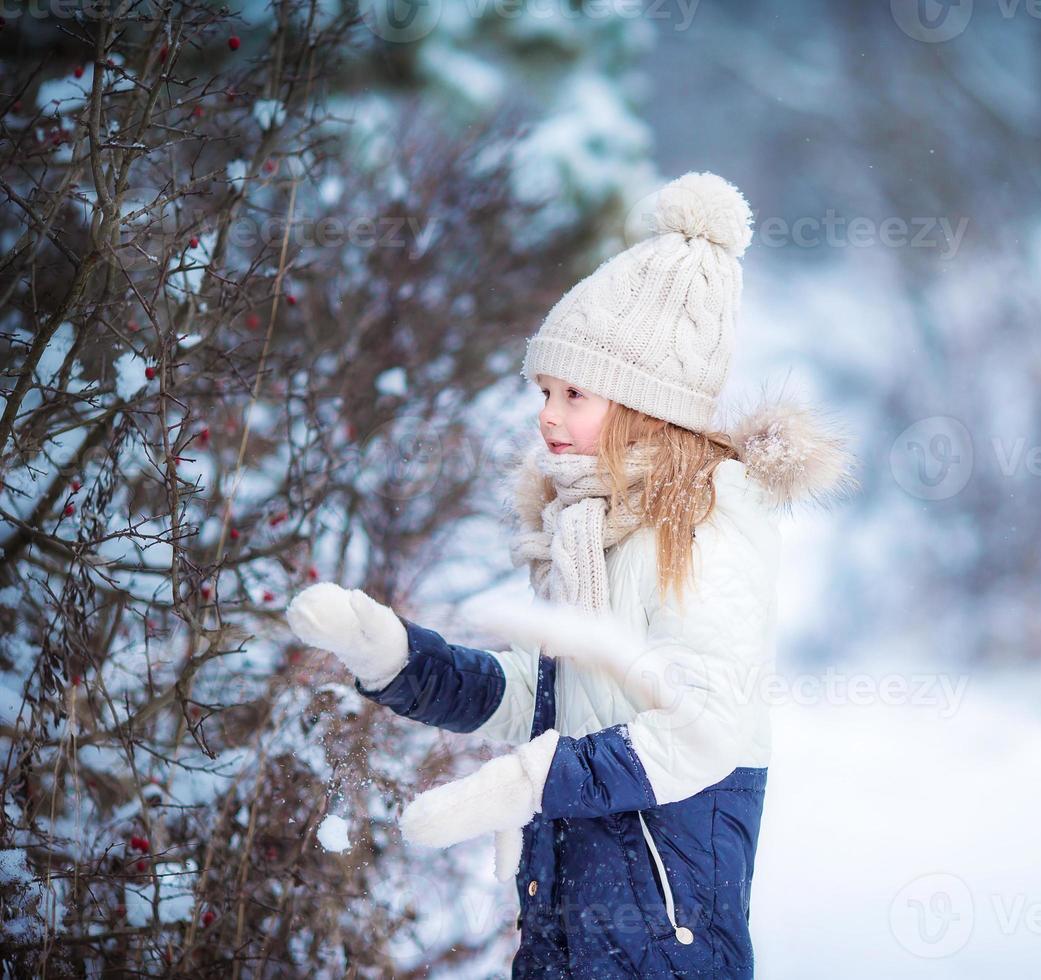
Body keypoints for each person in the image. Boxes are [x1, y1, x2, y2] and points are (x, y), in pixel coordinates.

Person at [286, 171, 858, 978]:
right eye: (545, 390)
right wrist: (402, 663)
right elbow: (546, 699)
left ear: (643, 403)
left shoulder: (703, 526)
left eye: (575, 393)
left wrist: (528, 784)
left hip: (665, 938)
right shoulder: (592, 526)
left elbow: (705, 727)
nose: (548, 414)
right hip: (567, 918)